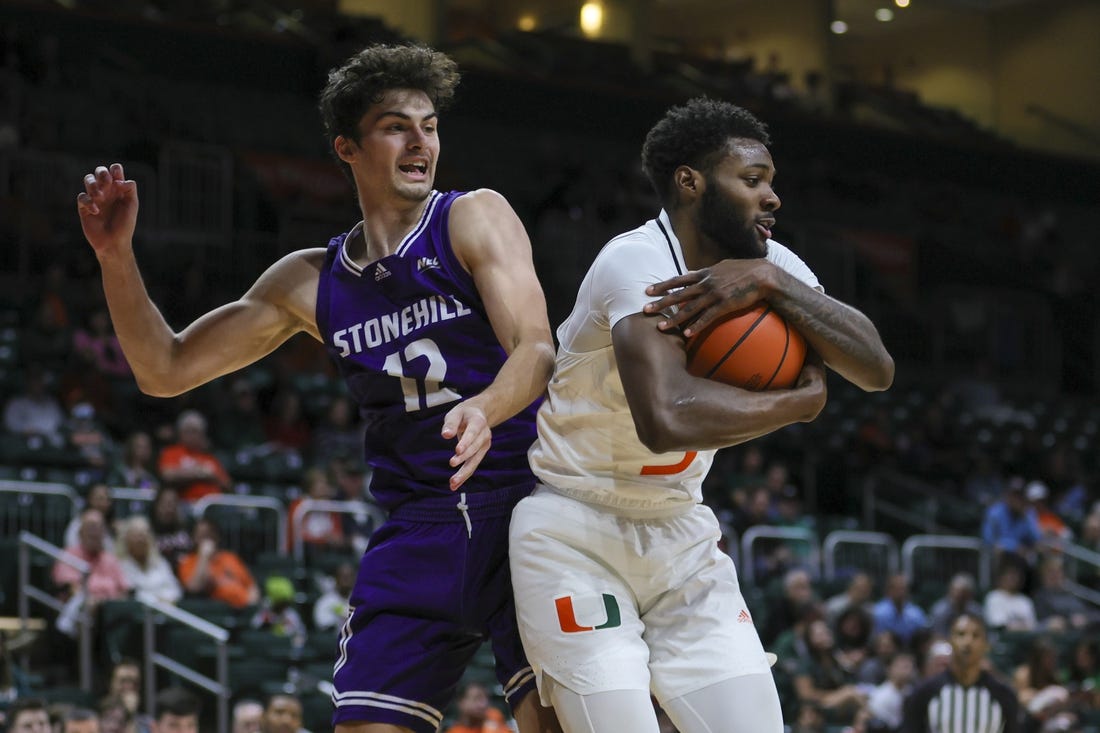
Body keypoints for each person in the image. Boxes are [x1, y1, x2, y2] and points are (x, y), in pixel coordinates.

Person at [77, 42, 558, 733]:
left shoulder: (472, 217)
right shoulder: (310, 282)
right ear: (347, 148)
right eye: (397, 125)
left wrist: (487, 406)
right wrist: (115, 257)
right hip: (417, 530)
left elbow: (538, 350)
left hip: (522, 510)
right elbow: (164, 368)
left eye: (429, 124)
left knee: (555, 722)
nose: (421, 140)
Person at [509, 96, 893, 733]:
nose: (772, 197)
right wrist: (797, 404)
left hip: (682, 532)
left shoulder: (769, 265)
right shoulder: (636, 260)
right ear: (690, 182)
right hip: (574, 529)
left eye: (771, 181)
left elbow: (876, 369)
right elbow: (667, 417)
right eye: (752, 180)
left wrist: (774, 285)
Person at [902, 613, 1020, 733]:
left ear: (986, 645)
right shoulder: (924, 693)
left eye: (975, 635)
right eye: (961, 634)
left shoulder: (1004, 695)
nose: (968, 642)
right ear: (950, 641)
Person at [176, 518, 259, 609]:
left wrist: (252, 606)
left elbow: (251, 586)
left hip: (244, 609)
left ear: (217, 536)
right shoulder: (188, 561)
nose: (206, 539)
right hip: (217, 611)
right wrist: (204, 557)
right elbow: (195, 588)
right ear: (194, 538)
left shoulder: (230, 557)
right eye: (201, 535)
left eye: (209, 534)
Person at [157, 410, 232, 503]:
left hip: (212, 506)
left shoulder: (209, 458)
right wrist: (198, 473)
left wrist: (212, 477)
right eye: (188, 431)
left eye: (195, 432)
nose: (192, 436)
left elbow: (227, 484)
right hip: (184, 504)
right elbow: (167, 475)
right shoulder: (172, 452)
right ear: (180, 433)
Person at [117, 515, 183, 605]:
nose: (141, 540)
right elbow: (130, 593)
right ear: (126, 539)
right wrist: (157, 600)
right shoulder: (119, 565)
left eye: (144, 535)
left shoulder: (160, 562)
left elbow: (175, 590)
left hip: (167, 612)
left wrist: (165, 599)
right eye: (136, 536)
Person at [443, 682, 508, 732]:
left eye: (486, 698)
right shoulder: (454, 731)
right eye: (477, 698)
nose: (484, 704)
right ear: (461, 702)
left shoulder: (494, 715)